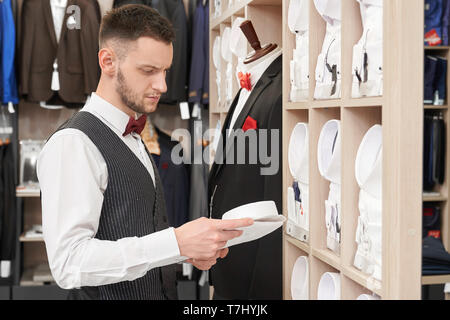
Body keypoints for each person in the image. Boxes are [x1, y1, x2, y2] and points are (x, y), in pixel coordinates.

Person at [37, 4, 253, 300]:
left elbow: (132, 231)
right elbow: (69, 263)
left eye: (165, 71)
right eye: (148, 71)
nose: (163, 85)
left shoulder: (135, 135)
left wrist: (184, 252)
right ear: (108, 61)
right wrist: (176, 243)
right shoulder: (74, 143)